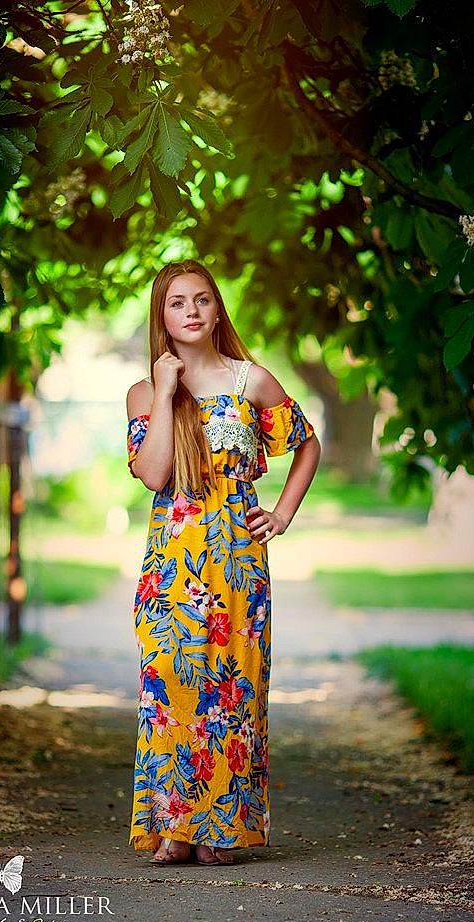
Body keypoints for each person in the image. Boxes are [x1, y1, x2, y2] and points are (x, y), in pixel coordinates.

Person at [125, 259, 321, 866]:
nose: (191, 310)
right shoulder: (142, 394)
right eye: (178, 301)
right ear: (162, 315)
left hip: (237, 563)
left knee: (232, 693)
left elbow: (306, 442)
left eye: (202, 299)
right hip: (171, 568)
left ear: (217, 310)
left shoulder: (250, 382)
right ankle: (176, 830)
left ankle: (223, 831)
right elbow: (154, 474)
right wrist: (164, 390)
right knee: (172, 693)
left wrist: (282, 514)